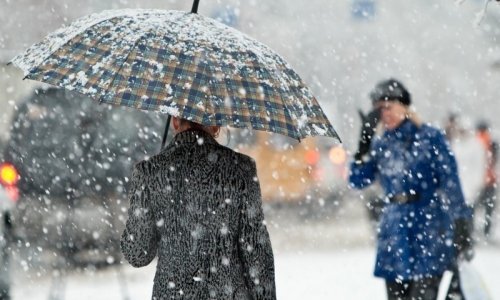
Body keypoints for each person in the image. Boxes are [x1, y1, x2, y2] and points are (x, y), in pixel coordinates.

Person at [121, 117, 276, 300]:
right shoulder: (241, 169)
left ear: (175, 122)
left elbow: (137, 254)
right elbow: (256, 254)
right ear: (216, 125)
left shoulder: (148, 171)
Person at [349, 78, 473, 300]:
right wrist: (363, 145)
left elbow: (450, 182)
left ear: (404, 106)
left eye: (388, 107)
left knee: (423, 295)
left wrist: (461, 224)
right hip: (394, 231)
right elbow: (357, 180)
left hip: (429, 227)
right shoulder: (381, 144)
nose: (383, 114)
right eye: (377, 110)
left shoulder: (430, 138)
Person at [475, 120, 498, 239]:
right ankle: (486, 233)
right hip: (490, 181)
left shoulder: (475, 142)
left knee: (473, 208)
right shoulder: (491, 143)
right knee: (488, 209)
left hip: (477, 182)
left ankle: (470, 232)